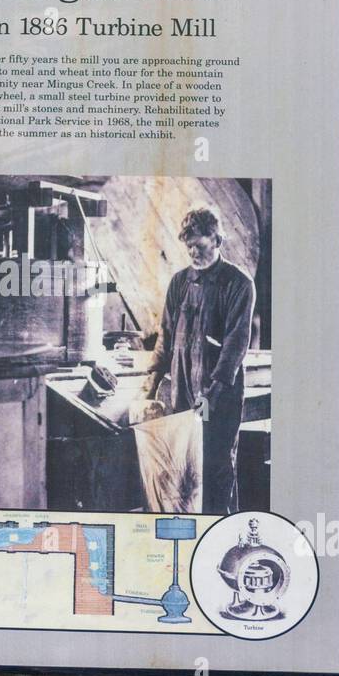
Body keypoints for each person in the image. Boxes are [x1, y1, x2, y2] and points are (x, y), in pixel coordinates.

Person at [146, 206, 254, 514]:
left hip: (220, 394)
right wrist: (151, 383)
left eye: (201, 245)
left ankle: (222, 529)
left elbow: (235, 344)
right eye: (189, 246)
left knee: (218, 466)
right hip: (183, 390)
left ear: (217, 240)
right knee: (185, 469)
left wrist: (213, 394)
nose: (194, 252)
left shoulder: (239, 284)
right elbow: (165, 335)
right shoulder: (180, 282)